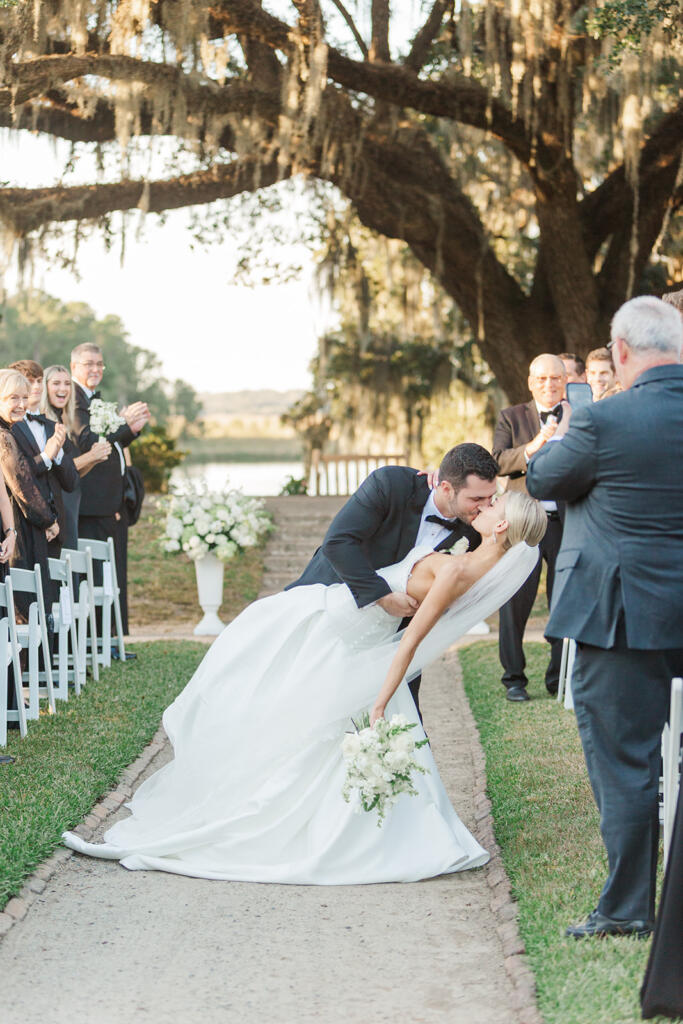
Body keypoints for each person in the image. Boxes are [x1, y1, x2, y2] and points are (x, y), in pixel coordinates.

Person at [63, 490, 546, 883]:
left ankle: (257, 819)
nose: (486, 506)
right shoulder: (468, 560)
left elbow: (412, 644)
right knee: (265, 684)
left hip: (338, 633)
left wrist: (379, 702)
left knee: (271, 704)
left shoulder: (459, 570)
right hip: (332, 613)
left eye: (495, 505)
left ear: (501, 527)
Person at [527, 295, 683, 939]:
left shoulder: (605, 421)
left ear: (620, 353)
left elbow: (542, 479)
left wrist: (563, 436)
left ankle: (625, 910)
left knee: (626, 761)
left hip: (619, 613)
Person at [287, 443, 498, 715]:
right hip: (337, 603)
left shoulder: (474, 531)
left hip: (397, 637)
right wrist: (383, 597)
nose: (484, 507)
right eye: (476, 499)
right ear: (445, 488)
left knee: (404, 723)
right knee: (313, 704)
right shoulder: (390, 483)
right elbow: (338, 542)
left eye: (490, 498)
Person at [491, 354, 567, 701]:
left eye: (556, 378)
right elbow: (497, 462)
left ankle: (558, 676)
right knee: (514, 602)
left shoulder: (579, 416)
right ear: (530, 381)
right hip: (524, 523)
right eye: (542, 379)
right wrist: (534, 446)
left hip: (567, 520)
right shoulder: (511, 416)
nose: (549, 385)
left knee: (564, 600)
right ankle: (514, 678)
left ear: (565, 380)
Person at [70, 343, 149, 639]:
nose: (96, 369)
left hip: (108, 504)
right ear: (74, 366)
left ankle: (113, 637)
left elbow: (110, 442)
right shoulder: (74, 400)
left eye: (100, 364)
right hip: (92, 505)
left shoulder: (92, 398)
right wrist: (122, 423)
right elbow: (89, 442)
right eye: (89, 364)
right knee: (98, 576)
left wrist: (130, 430)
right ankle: (100, 638)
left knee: (113, 574)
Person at [8, 360, 79, 567]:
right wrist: (47, 455)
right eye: (31, 381)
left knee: (51, 596)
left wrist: (57, 454)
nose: (37, 387)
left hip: (56, 530)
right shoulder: (10, 429)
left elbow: (71, 482)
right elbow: (21, 477)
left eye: (39, 381)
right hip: (24, 527)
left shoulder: (52, 426)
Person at [0, 369, 59, 616]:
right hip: (19, 523)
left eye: (25, 398)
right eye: (14, 398)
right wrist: (48, 520)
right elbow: (21, 484)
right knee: (23, 606)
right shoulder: (4, 437)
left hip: (12, 525)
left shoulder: (8, 431)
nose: (22, 404)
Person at [40, 365, 111, 551]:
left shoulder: (62, 421)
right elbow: (58, 468)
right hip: (57, 503)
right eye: (56, 383)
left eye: (67, 384)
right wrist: (90, 456)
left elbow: (73, 472)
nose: (63, 389)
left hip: (71, 502)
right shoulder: (44, 423)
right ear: (44, 387)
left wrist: (95, 459)